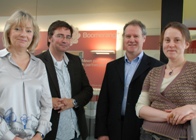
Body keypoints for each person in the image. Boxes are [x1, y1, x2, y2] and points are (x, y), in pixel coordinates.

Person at [94, 19, 163, 140]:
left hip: (142, 130)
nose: (131, 40)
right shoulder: (112, 67)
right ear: (124, 38)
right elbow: (104, 101)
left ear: (144, 38)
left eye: (136, 36)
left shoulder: (157, 67)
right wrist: (101, 132)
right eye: (128, 36)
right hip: (113, 129)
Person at [136, 21, 196, 140]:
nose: (171, 44)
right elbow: (140, 108)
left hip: (179, 136)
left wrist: (190, 108)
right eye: (167, 40)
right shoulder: (153, 73)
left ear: (187, 44)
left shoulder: (194, 70)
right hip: (147, 134)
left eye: (177, 40)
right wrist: (169, 116)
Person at [0, 10, 52, 140]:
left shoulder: (39, 65)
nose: (23, 34)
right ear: (8, 32)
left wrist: (40, 134)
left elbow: (46, 104)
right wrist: (10, 137)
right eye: (17, 29)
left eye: (28, 31)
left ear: (33, 35)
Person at [37, 20, 93, 140]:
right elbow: (27, 95)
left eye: (68, 37)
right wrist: (47, 101)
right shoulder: (37, 62)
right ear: (49, 38)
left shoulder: (75, 61)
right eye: (60, 36)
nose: (64, 40)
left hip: (76, 132)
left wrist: (73, 102)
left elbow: (87, 90)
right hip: (51, 133)